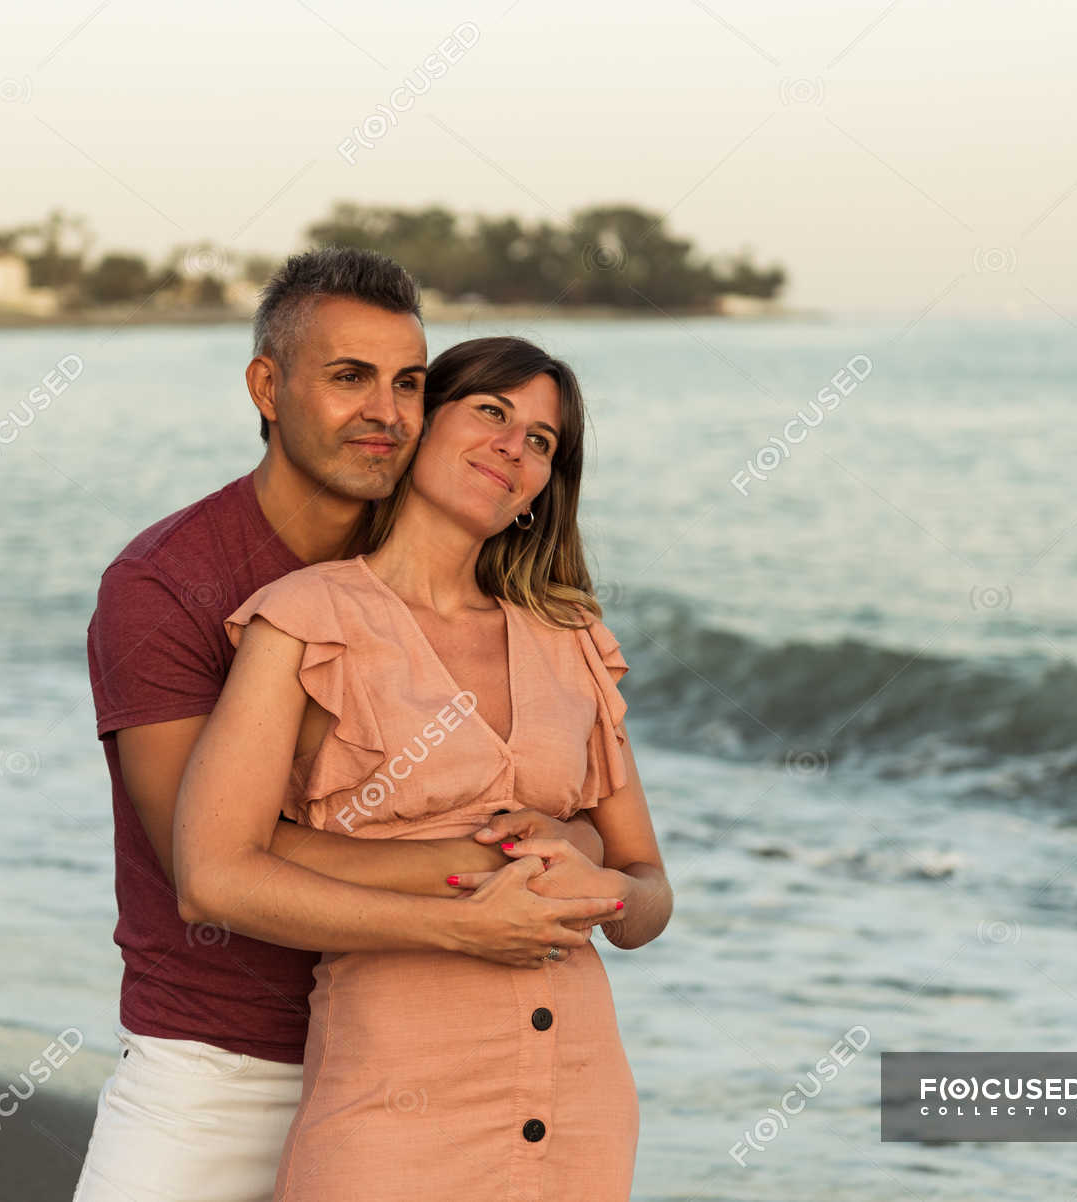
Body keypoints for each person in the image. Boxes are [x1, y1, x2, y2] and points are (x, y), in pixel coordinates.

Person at [73, 251, 624, 1202]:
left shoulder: (449, 575)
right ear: (267, 387)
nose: (385, 412)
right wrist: (509, 864)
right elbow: (205, 864)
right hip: (225, 1063)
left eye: (409, 383)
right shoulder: (165, 586)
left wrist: (574, 843)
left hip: (423, 1062)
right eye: (347, 377)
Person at [172, 335, 674, 1201]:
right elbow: (212, 879)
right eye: (491, 412)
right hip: (391, 1104)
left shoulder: (574, 639)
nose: (514, 447)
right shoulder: (308, 619)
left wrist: (588, 868)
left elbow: (648, 896)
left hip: (581, 1103)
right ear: (419, 429)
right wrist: (462, 923)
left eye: (543, 441)